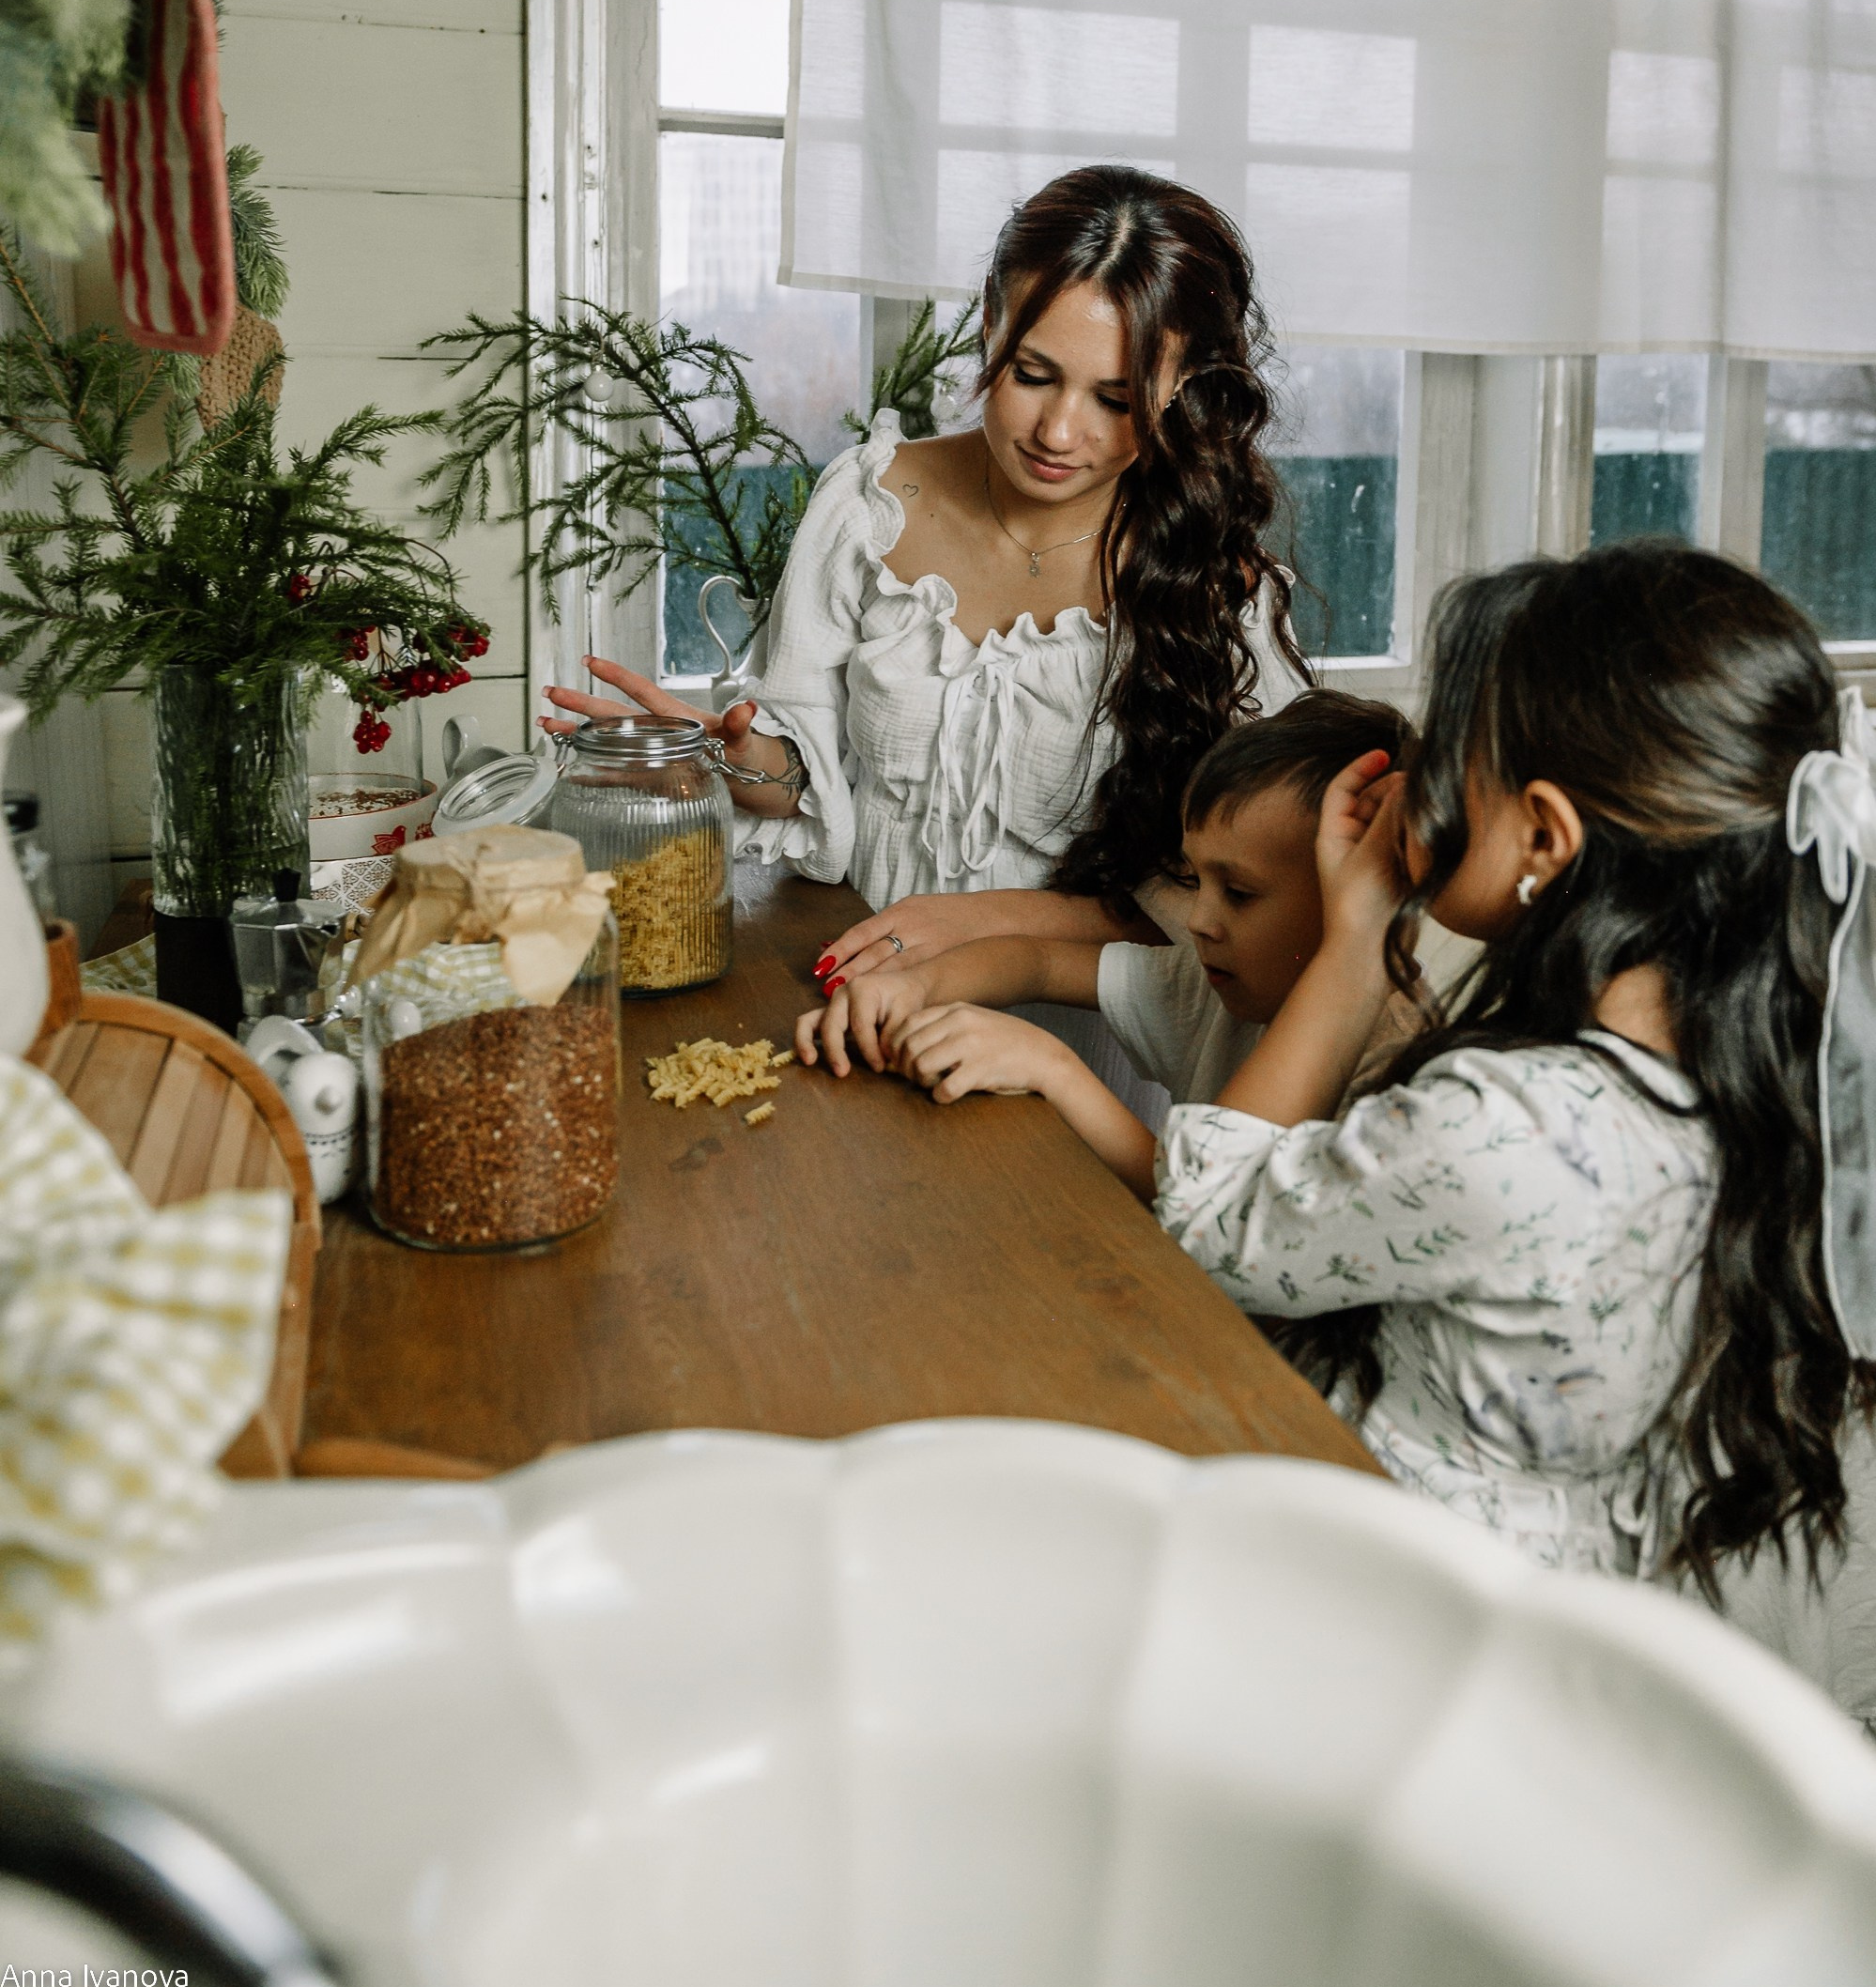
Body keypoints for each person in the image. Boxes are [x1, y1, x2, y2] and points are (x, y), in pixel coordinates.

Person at [1139, 542, 1874, 1590]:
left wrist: (1355, 936)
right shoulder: (1751, 1090)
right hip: (1546, 1606)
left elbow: (1204, 1229)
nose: (1419, 786)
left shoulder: (1512, 1125)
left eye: (1450, 754)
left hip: (1388, 1599)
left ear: (1542, 837)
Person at [546, 165, 1307, 955]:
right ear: (988, 322)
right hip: (872, 999)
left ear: (1183, 380)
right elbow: (803, 786)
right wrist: (722, 761)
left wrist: (985, 938)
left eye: (1115, 400)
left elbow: (1249, 901)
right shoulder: (867, 508)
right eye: (1032, 374)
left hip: (1095, 1040)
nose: (1057, 431)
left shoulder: (1221, 588)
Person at [796, 692, 1423, 1170]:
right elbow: (1035, 962)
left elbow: (1204, 1209)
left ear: (1359, 890)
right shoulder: (1205, 986)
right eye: (1196, 882)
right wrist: (915, 986)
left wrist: (1053, 1068)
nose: (1200, 922)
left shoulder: (1399, 1063)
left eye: (1238, 893)